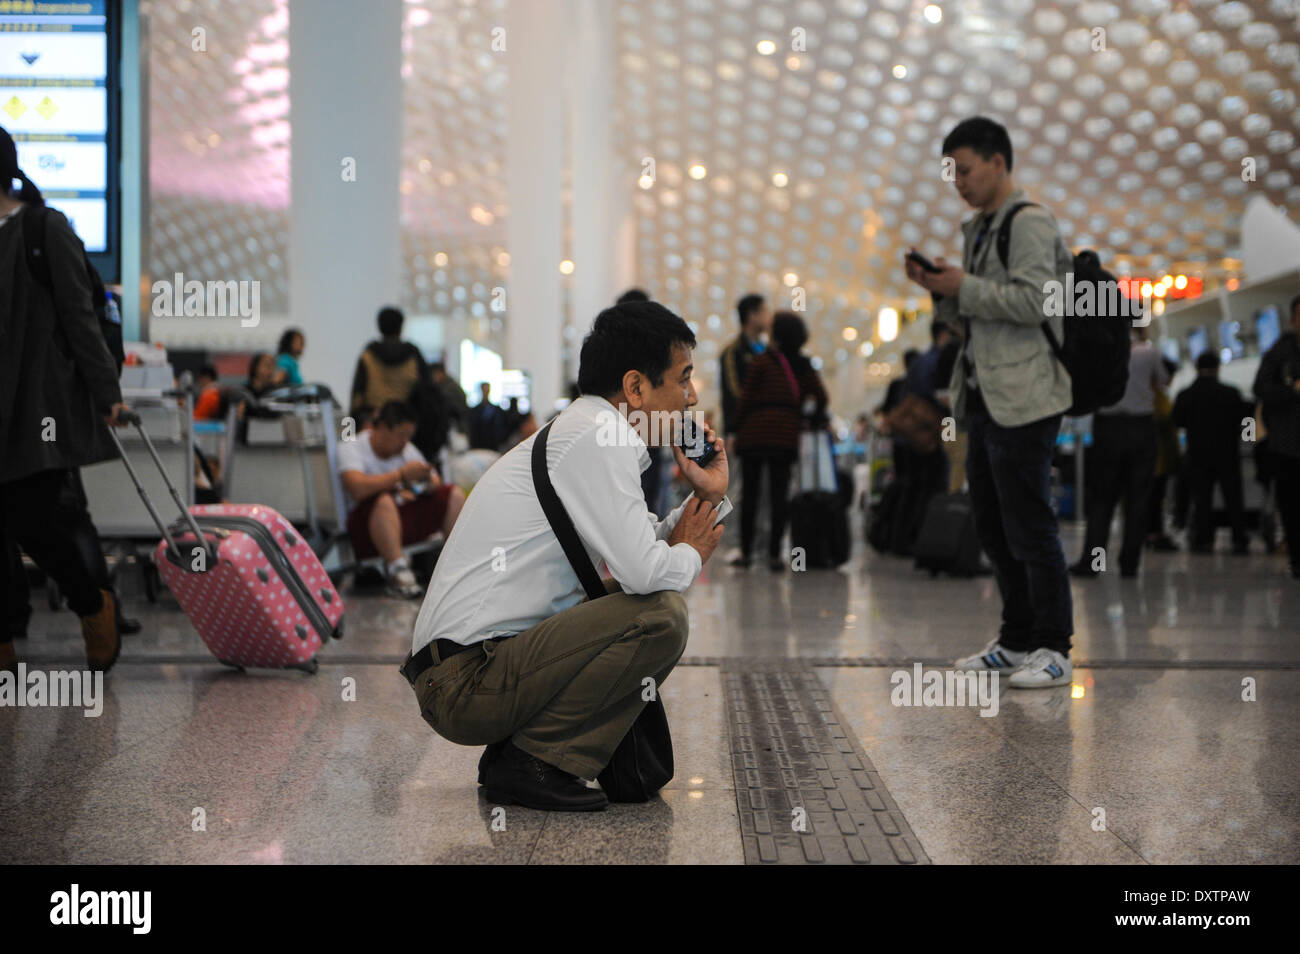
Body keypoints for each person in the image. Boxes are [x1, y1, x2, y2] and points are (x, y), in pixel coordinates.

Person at [402, 300, 731, 811]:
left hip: (472, 669)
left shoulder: (588, 433)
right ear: (636, 387)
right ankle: (535, 760)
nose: (691, 397)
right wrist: (690, 555)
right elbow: (646, 571)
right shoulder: (596, 440)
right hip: (462, 683)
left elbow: (643, 544)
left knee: (647, 600)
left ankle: (522, 757)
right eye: (683, 378)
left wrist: (708, 495)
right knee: (660, 616)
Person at [905, 115, 1075, 689]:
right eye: (951, 172)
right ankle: (1016, 638)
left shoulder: (1029, 223)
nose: (958, 181)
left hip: (1026, 394)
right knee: (993, 523)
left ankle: (1055, 645)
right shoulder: (977, 229)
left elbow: (1037, 303)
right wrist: (940, 291)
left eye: (966, 170)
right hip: (982, 393)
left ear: (998, 162)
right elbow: (970, 317)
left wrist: (964, 287)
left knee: (1030, 522)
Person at [0, 124, 127, 674]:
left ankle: (91, 603)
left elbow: (80, 316)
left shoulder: (42, 228)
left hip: (35, 411)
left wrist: (107, 390)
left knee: (35, 521)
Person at [336, 401, 465, 598]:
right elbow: (357, 488)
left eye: (408, 436)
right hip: (368, 528)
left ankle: (458, 564)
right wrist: (401, 476)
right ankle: (398, 569)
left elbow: (432, 479)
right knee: (383, 501)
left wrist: (426, 484)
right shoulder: (351, 447)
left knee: (453, 495)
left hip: (403, 519)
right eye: (401, 435)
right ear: (381, 428)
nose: (405, 441)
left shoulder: (405, 449)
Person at [732, 311, 829, 570]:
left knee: (750, 496)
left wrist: (735, 429)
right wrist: (808, 420)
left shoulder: (762, 361)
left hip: (754, 434)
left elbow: (746, 399)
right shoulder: (805, 365)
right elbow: (821, 397)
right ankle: (775, 554)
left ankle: (746, 553)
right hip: (784, 437)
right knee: (779, 496)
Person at [1072, 325, 1169, 578]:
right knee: (1137, 501)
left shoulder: (1099, 350)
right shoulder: (1149, 352)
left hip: (1108, 427)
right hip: (1141, 427)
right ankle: (1129, 564)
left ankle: (1093, 563)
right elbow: (1163, 382)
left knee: (1102, 500)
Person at [1172, 351, 1251, 554]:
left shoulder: (1186, 395)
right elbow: (1245, 420)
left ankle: (1204, 539)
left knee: (1202, 498)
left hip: (1198, 454)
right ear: (1217, 368)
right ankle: (1239, 538)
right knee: (1233, 497)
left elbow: (1177, 421)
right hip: (1227, 453)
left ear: (1197, 368)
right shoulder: (1231, 393)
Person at [1253, 294, 1300, 578]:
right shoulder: (1279, 352)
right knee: (1292, 506)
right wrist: (1291, 390)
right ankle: (1297, 558)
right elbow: (1261, 388)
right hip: (1287, 445)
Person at [349, 306, 426, 419]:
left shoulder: (369, 354)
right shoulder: (413, 354)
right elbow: (426, 390)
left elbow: (358, 396)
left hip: (375, 421)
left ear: (379, 327)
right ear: (401, 327)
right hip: (407, 422)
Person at [719, 293, 772, 457]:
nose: (769, 317)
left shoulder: (769, 352)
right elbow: (732, 394)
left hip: (770, 431)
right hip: (746, 431)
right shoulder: (732, 353)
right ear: (752, 315)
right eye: (764, 311)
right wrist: (731, 430)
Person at [1146, 357, 1181, 552]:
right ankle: (1154, 534)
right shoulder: (1155, 397)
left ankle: (1153, 533)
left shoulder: (1157, 395)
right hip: (1156, 459)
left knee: (1155, 498)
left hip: (1159, 458)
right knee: (1154, 498)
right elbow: (1166, 420)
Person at [467, 381, 505, 450]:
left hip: (492, 446)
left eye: (487, 390)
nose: (485, 392)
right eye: (484, 390)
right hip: (478, 446)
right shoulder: (474, 410)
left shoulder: (496, 410)